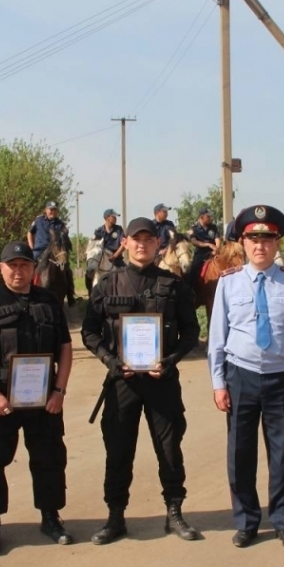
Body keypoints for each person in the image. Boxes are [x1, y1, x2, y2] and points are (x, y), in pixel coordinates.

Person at [81, 216, 201, 544]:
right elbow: (89, 332)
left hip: (163, 381)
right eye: (136, 239)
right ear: (126, 243)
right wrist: (110, 361)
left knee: (169, 449)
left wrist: (171, 360)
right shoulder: (108, 284)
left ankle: (174, 513)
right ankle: (115, 516)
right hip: (122, 382)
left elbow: (191, 331)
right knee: (118, 450)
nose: (142, 245)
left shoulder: (173, 286)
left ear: (157, 244)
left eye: (148, 240)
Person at [208, 204, 284, 550]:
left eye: (267, 239)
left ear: (277, 243)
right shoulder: (228, 283)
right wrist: (218, 383)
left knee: (283, 454)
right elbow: (217, 336)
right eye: (253, 239)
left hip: (281, 378)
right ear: (243, 242)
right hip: (240, 376)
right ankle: (246, 522)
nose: (260, 246)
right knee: (240, 453)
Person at [0, 241, 74, 555]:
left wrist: (59, 391)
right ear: (1, 268)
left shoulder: (48, 301)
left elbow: (65, 348)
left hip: (45, 398)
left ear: (33, 268)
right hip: (0, 396)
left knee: (49, 458)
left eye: (24, 265)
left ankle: (51, 517)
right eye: (12, 265)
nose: (18, 271)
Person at [28, 200, 74, 305]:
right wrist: (31, 247)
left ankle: (70, 295)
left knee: (67, 268)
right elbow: (30, 233)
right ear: (46, 210)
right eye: (51, 209)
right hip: (39, 250)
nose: (53, 212)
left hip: (55, 250)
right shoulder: (38, 220)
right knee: (30, 265)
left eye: (55, 210)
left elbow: (64, 239)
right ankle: (27, 292)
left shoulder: (61, 224)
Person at [87, 208, 125, 293]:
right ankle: (91, 295)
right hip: (101, 259)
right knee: (89, 274)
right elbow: (94, 245)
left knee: (126, 273)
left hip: (117, 259)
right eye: (113, 217)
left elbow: (124, 244)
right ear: (107, 218)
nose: (115, 218)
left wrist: (115, 256)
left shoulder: (118, 229)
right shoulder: (98, 231)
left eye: (115, 217)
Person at [185, 207, 220, 288]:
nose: (210, 218)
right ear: (201, 217)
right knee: (193, 269)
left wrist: (216, 249)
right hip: (201, 253)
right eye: (208, 216)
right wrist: (208, 245)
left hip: (214, 251)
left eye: (210, 216)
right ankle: (191, 289)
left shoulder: (213, 227)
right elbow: (194, 241)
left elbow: (217, 240)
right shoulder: (194, 228)